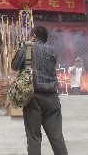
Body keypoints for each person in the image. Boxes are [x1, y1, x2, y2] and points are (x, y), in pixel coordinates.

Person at [21, 26, 68, 155]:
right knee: (57, 137)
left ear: (34, 36)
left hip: (33, 97)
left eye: (30, 36)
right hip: (52, 98)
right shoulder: (53, 51)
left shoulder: (28, 47)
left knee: (34, 137)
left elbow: (15, 65)